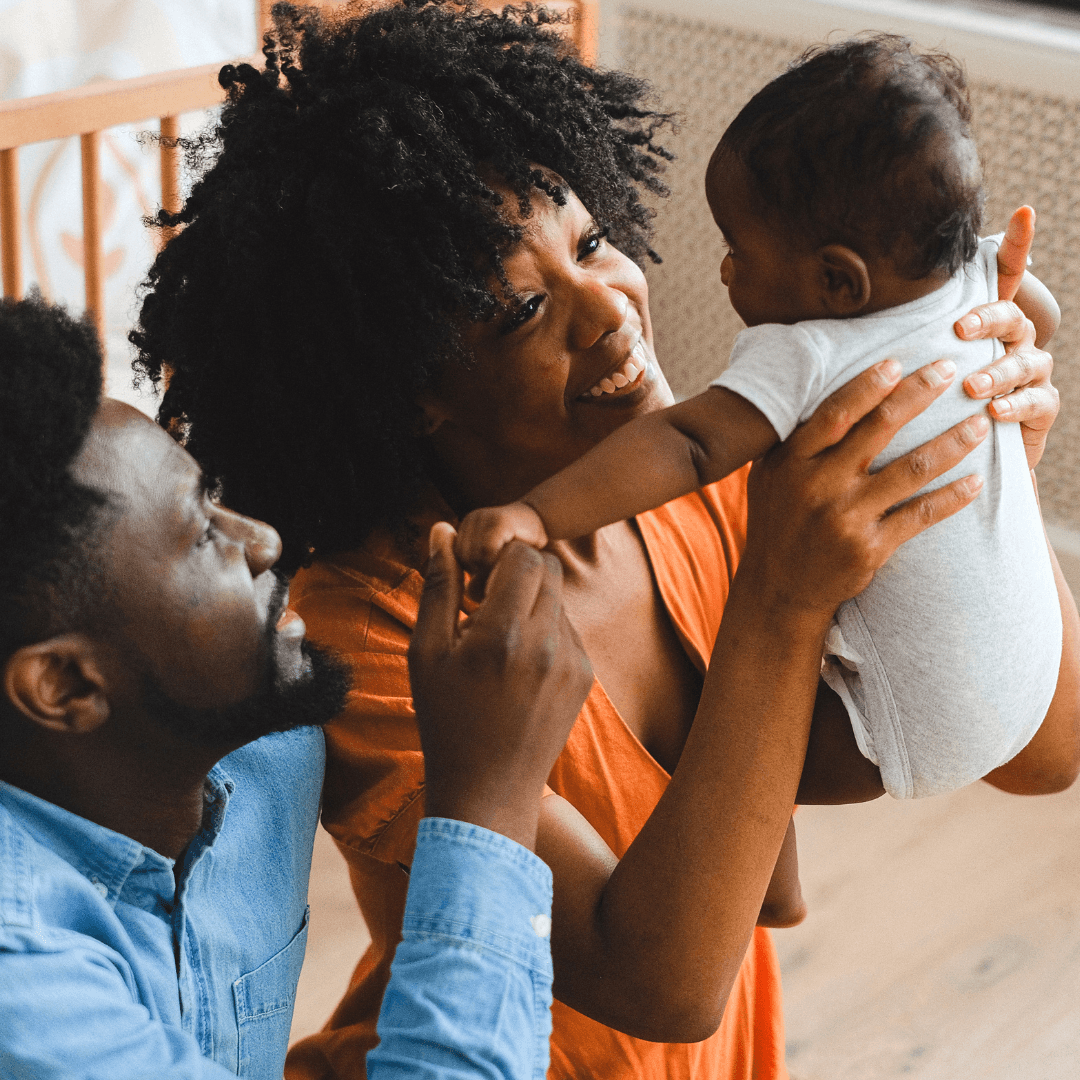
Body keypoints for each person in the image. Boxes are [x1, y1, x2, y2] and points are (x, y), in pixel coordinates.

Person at [128, 4, 1078, 1078]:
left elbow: (1045, 752)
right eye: (522, 312)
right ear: (411, 391)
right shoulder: (370, 633)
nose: (612, 309)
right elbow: (661, 983)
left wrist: (988, 460)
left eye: (591, 245)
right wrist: (781, 598)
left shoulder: (695, 481)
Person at [452, 36, 1073, 899]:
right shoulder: (967, 275)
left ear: (837, 281)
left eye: (740, 249)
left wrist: (538, 516)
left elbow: (689, 444)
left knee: (737, 753)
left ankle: (725, 833)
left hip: (895, 732)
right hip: (1031, 665)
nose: (725, 268)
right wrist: (1011, 325)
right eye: (526, 302)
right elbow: (1031, 308)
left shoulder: (810, 351)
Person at [0, 294, 593, 1080]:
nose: (262, 541)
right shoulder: (24, 980)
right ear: (66, 684)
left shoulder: (267, 755)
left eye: (218, 499)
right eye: (202, 533)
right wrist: (489, 798)